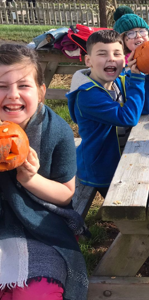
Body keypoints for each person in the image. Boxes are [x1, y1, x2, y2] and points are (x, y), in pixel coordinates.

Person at [0, 44, 88, 300]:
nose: (12, 94)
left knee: (36, 293)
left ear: (41, 92)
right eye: (2, 86)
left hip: (42, 225)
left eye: (23, 85)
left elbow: (65, 194)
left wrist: (31, 179)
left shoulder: (57, 132)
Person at [67, 30, 149, 198]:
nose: (111, 58)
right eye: (102, 54)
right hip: (101, 167)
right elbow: (129, 118)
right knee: (127, 203)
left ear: (124, 59)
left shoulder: (117, 82)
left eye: (117, 53)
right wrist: (137, 79)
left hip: (121, 158)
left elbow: (144, 108)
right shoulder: (87, 95)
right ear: (88, 60)